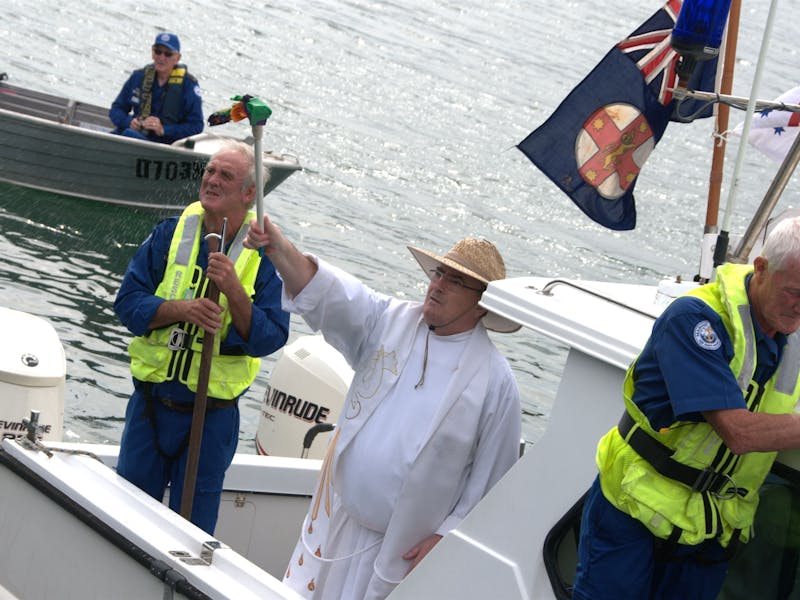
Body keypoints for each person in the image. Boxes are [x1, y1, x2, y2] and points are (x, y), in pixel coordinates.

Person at [243, 220, 522, 599]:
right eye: (439, 273)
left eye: (455, 281)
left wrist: (446, 539)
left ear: (482, 302)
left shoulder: (496, 382)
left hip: (401, 554)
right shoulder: (389, 322)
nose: (437, 284)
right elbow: (331, 294)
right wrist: (278, 247)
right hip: (335, 525)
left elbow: (492, 484)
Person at [572, 215, 800, 600]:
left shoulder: (790, 334)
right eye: (795, 290)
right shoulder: (698, 318)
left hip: (710, 528)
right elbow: (738, 432)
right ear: (760, 268)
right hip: (635, 512)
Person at [114, 140, 289, 534]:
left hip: (209, 421)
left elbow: (272, 336)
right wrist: (180, 310)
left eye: (225, 175)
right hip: (150, 407)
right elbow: (127, 303)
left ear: (249, 195)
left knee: (190, 534)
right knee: (125, 520)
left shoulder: (264, 255)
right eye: (209, 170)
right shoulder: (169, 234)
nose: (210, 179)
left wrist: (234, 292)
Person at [109, 32, 203, 144]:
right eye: (158, 52)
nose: (161, 58)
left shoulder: (188, 85)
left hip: (165, 144)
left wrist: (164, 130)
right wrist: (129, 122)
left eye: (168, 54)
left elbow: (196, 126)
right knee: (120, 135)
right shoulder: (138, 77)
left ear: (177, 58)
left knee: (129, 135)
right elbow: (116, 109)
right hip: (135, 135)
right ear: (152, 53)